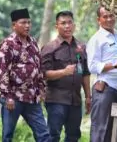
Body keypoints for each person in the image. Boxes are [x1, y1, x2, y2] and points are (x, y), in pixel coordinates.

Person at [0, 8, 50, 142]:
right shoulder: (8, 44)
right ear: (14, 25)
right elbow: (3, 71)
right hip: (13, 98)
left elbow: (38, 67)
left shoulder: (33, 42)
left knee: (43, 134)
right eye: (23, 22)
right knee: (8, 136)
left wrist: (42, 89)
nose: (27, 26)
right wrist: (8, 96)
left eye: (29, 22)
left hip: (32, 97)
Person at [41, 11, 91, 142]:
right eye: (63, 23)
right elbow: (43, 74)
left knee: (73, 136)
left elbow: (85, 73)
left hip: (75, 100)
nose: (67, 26)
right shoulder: (49, 48)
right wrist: (63, 72)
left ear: (74, 25)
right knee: (53, 136)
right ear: (56, 26)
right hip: (56, 99)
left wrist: (88, 96)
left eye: (70, 23)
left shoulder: (81, 47)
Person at [87, 6, 117, 142]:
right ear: (98, 20)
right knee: (101, 130)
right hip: (105, 89)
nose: (109, 19)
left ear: (116, 16)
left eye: (111, 15)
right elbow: (92, 67)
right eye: (105, 16)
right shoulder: (96, 39)